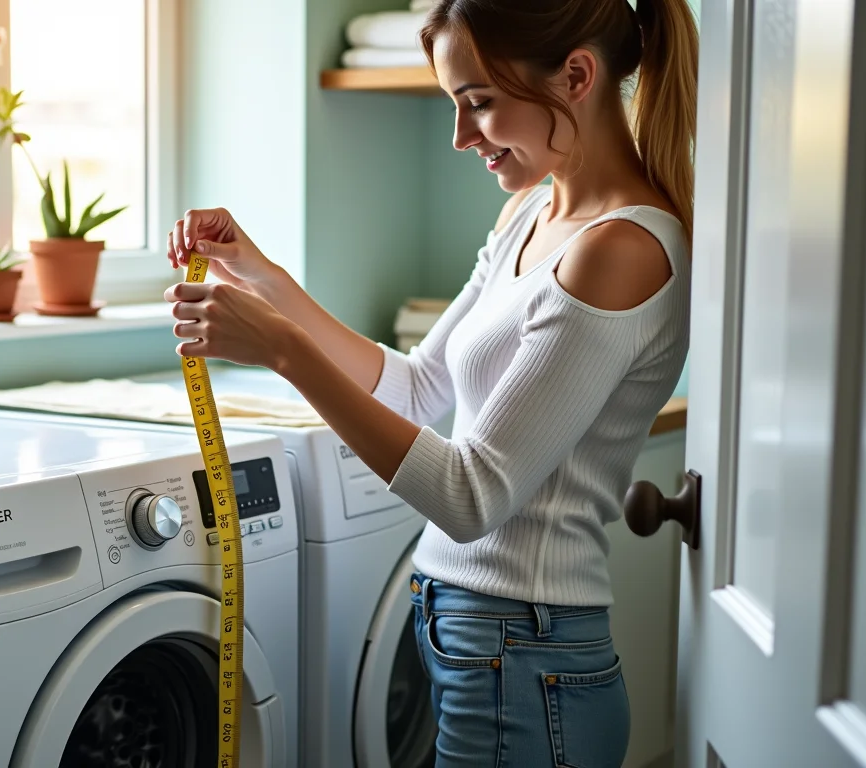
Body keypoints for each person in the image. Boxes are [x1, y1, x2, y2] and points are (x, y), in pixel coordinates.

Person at [164, 0, 697, 765]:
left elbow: (471, 496)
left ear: (577, 75)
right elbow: (416, 387)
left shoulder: (622, 250)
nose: (459, 136)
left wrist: (285, 352)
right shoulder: (529, 215)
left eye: (478, 102)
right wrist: (261, 274)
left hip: (528, 653)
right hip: (476, 638)